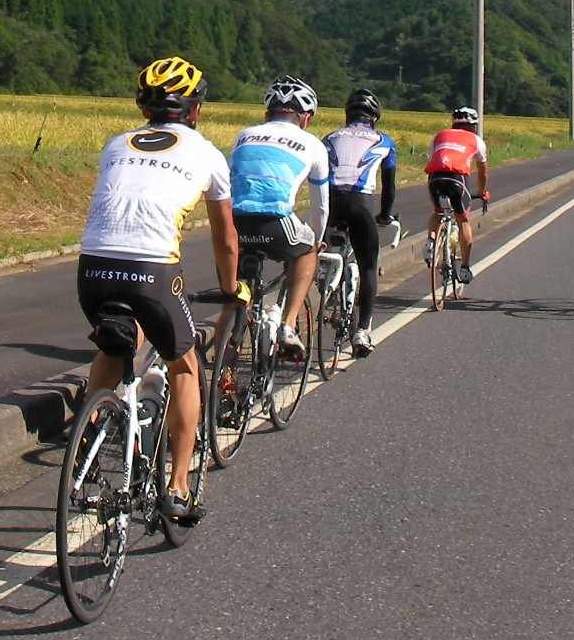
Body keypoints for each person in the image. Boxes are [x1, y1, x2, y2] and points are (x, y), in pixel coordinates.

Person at [77, 56, 240, 524]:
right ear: (196, 110)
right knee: (185, 365)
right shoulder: (207, 153)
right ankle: (179, 487)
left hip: (92, 269)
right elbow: (225, 239)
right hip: (151, 273)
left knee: (115, 343)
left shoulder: (115, 144)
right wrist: (231, 290)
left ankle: (86, 442)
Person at [225, 77, 329, 361]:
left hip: (234, 222)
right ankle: (289, 325)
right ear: (305, 117)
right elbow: (320, 207)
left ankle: (225, 376)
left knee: (235, 299)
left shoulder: (244, 135)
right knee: (306, 250)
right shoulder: (313, 144)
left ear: (266, 113)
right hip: (276, 221)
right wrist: (317, 240)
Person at [321, 88, 396, 357]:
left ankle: (321, 289)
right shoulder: (383, 140)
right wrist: (385, 215)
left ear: (347, 115)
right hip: (361, 205)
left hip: (330, 204)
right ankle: (363, 331)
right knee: (368, 266)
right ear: (373, 118)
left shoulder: (329, 138)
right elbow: (389, 189)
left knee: (318, 254)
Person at [424, 106, 490, 283]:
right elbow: (483, 172)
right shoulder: (477, 140)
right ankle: (465, 268)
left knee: (438, 213)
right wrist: (481, 193)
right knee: (463, 220)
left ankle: (430, 242)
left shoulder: (439, 135)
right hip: (457, 179)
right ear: (474, 126)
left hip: (435, 177)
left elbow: (434, 158)